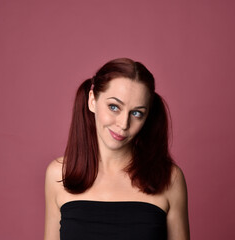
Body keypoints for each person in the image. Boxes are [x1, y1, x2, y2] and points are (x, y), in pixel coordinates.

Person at [44, 58, 190, 240]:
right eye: (114, 107)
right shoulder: (58, 174)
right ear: (92, 101)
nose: (123, 124)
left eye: (137, 113)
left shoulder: (170, 179)